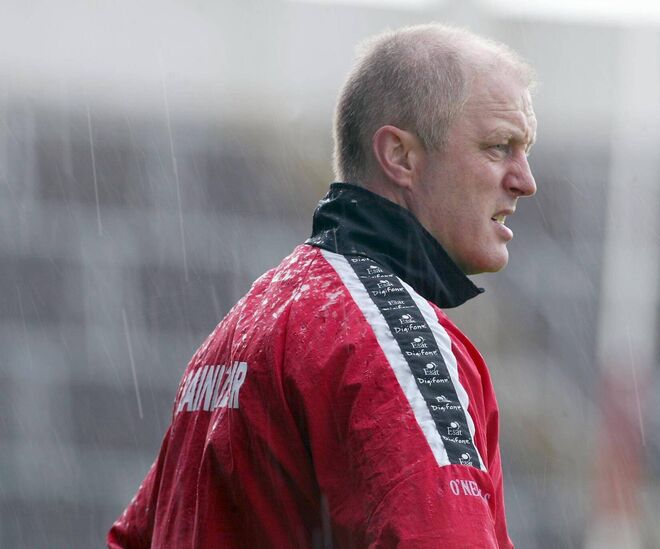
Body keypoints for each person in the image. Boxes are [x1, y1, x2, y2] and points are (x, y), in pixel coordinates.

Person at [109, 23, 536, 548]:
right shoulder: (393, 340)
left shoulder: (248, 323)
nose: (525, 179)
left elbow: (135, 539)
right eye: (499, 147)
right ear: (400, 157)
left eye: (525, 150)